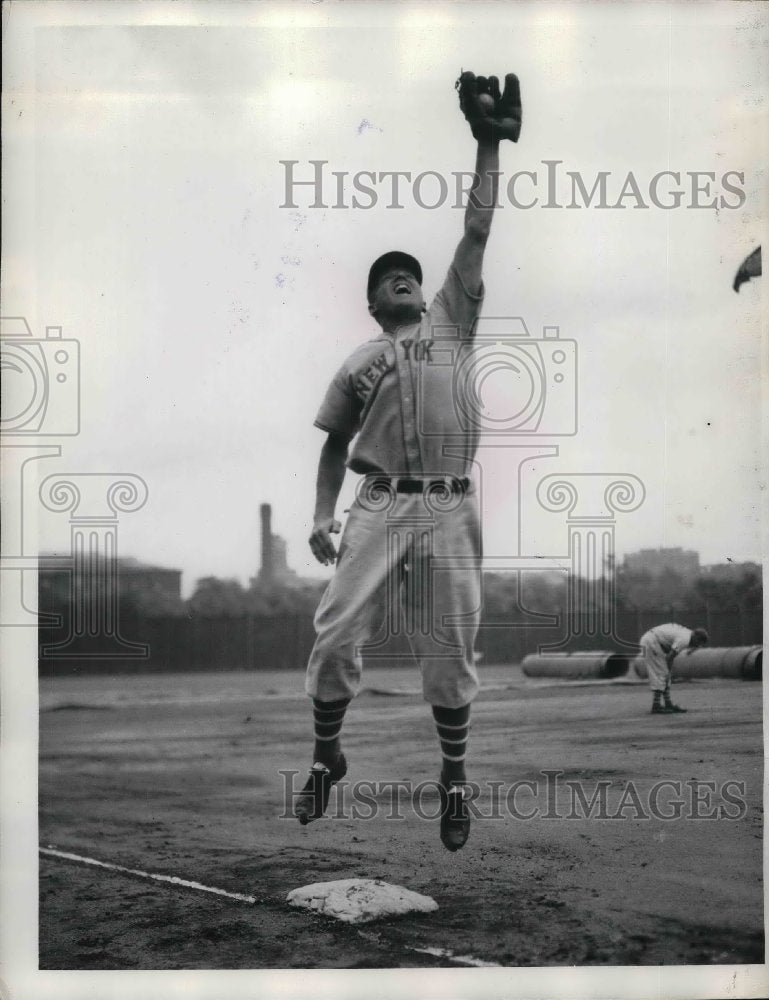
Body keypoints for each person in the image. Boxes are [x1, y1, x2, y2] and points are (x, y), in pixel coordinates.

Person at [292, 72, 522, 851]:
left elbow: (477, 230)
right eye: (385, 274)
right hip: (380, 503)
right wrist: (322, 515)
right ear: (372, 303)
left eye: (410, 272)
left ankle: (453, 779)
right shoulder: (359, 359)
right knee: (332, 636)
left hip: (450, 507)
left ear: (428, 296)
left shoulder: (454, 324)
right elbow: (331, 443)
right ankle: (328, 756)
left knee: (450, 646)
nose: (402, 274)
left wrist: (488, 142)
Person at [637, 623, 709, 714]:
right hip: (651, 641)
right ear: (696, 637)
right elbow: (670, 657)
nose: (697, 646)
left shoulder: (688, 635)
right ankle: (656, 706)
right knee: (661, 673)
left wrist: (668, 672)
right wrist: (669, 671)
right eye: (699, 643)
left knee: (664, 674)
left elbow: (669, 652)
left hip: (653, 640)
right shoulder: (685, 639)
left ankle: (668, 703)